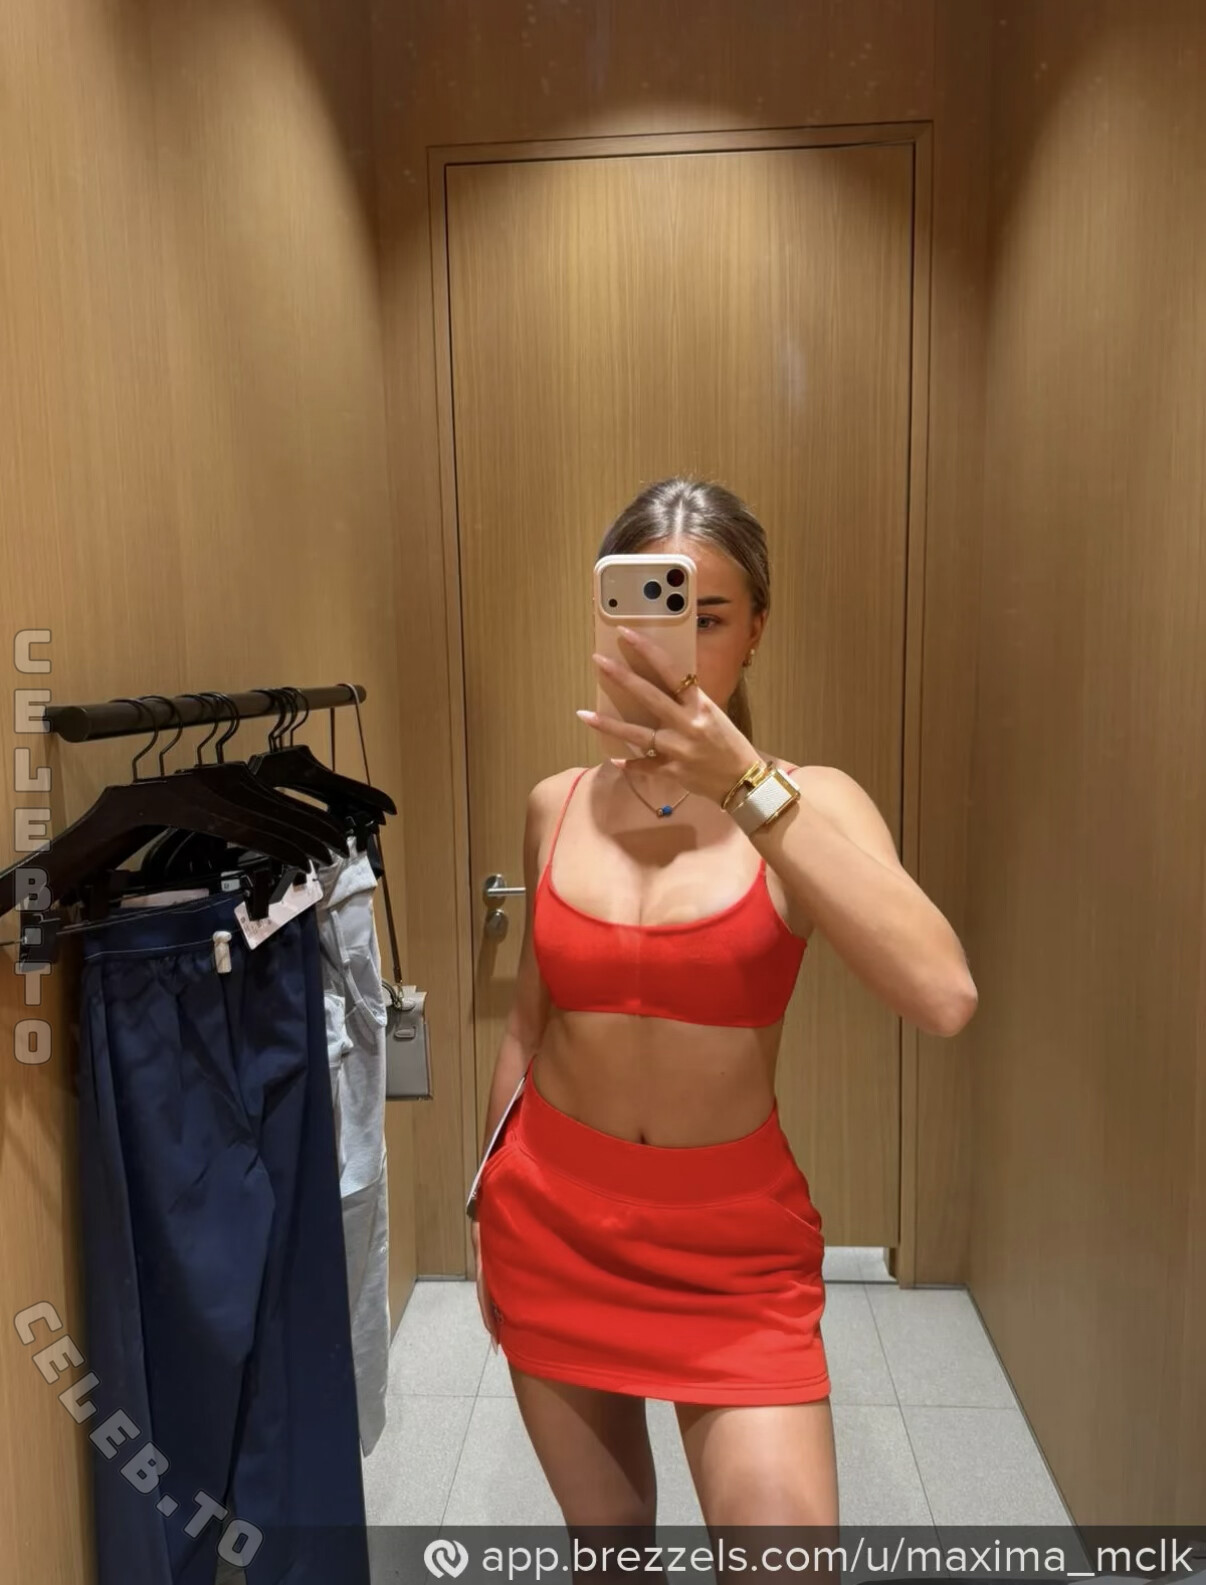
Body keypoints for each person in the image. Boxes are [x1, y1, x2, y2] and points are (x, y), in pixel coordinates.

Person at [470, 477, 978, 1541]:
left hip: (734, 1253)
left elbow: (942, 995)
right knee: (609, 1548)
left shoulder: (812, 801)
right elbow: (526, 1025)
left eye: (711, 617)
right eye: (655, 612)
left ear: (757, 630)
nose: (684, 649)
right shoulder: (554, 805)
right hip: (549, 1222)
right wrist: (483, 1213)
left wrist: (745, 783)